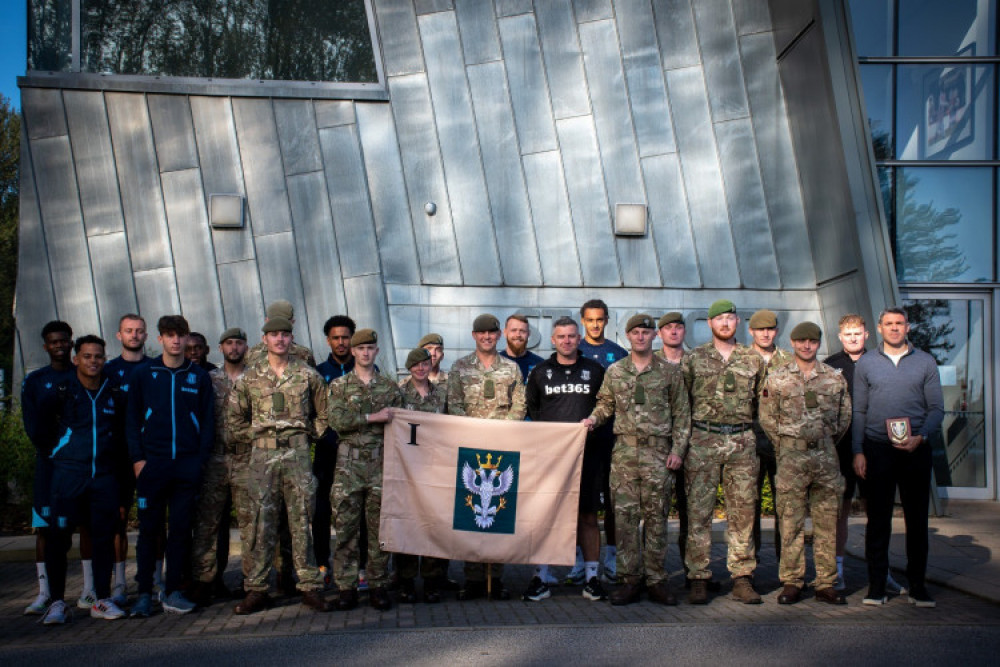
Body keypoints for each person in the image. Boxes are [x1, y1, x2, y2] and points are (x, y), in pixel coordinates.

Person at [583, 314, 690, 605]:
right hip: (626, 455)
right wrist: (592, 420)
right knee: (626, 521)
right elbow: (605, 404)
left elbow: (682, 414)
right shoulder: (616, 371)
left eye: (646, 332)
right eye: (636, 332)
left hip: (658, 455)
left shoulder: (669, 372)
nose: (641, 336)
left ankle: (656, 580)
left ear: (654, 336)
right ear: (628, 337)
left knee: (657, 520)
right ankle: (629, 581)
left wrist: (677, 451)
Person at [228, 316, 331, 614]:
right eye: (274, 335)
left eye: (285, 335)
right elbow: (234, 420)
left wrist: (308, 435)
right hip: (262, 457)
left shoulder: (307, 375)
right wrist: (256, 435)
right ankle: (257, 589)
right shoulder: (250, 378)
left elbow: (324, 414)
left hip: (297, 456)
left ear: (291, 339)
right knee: (262, 524)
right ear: (265, 340)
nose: (280, 340)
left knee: (301, 522)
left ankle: (310, 586)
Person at [853, 307, 944, 608]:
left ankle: (918, 587)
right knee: (878, 521)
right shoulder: (866, 363)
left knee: (917, 521)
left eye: (899, 323)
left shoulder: (925, 362)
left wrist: (922, 436)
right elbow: (859, 411)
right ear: (879, 328)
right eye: (889, 324)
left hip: (916, 450)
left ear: (908, 327)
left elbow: (936, 410)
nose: (894, 328)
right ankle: (877, 587)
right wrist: (858, 450)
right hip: (878, 450)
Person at [126, 315, 214, 617]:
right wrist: (139, 460)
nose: (176, 341)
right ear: (160, 338)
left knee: (179, 531)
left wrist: (199, 462)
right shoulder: (144, 373)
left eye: (181, 335)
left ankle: (173, 590)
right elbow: (132, 420)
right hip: (153, 466)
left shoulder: (198, 376)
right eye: (170, 335)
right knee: (149, 531)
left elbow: (207, 423)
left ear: (188, 339)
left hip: (186, 467)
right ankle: (144, 594)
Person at [758, 322, 851, 605]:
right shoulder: (777, 378)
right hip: (790, 458)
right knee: (790, 522)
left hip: (825, 457)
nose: (806, 346)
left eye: (812, 341)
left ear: (819, 343)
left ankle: (825, 583)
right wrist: (788, 443)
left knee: (826, 522)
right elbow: (767, 418)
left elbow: (843, 418)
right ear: (794, 343)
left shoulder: (834, 379)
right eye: (801, 341)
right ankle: (792, 581)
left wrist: (822, 441)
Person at [39, 335, 127, 624]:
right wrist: (61, 457)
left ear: (104, 358)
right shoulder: (61, 391)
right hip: (67, 478)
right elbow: (41, 432)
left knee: (102, 539)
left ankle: (100, 599)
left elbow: (122, 436)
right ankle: (57, 603)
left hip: (103, 479)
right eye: (87, 356)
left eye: (98, 356)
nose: (93, 361)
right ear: (76, 359)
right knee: (58, 539)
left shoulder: (113, 391)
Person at [682, 299, 764, 604]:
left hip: (742, 441)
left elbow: (761, 403)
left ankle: (742, 577)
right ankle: (699, 577)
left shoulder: (752, 359)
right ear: (710, 324)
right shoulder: (694, 359)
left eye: (730, 318)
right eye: (720, 319)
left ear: (738, 323)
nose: (725, 323)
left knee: (742, 512)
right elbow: (683, 403)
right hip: (704, 439)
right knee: (699, 513)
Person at [523, 317, 607, 602]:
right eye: (561, 337)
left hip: (588, 456)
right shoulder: (540, 372)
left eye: (572, 336)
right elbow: (533, 408)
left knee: (587, 516)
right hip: (550, 459)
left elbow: (606, 406)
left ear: (579, 338)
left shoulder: (595, 371)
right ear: (553, 340)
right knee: (545, 516)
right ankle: (540, 576)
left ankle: (592, 577)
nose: (567, 341)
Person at [447, 313, 527, 600]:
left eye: (492, 333)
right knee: (471, 515)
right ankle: (473, 579)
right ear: (474, 336)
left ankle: (497, 577)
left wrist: (503, 433)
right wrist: (474, 433)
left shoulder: (511, 369)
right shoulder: (459, 368)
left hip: (501, 453)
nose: (487, 337)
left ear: (499, 335)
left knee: (499, 514)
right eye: (482, 333)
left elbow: (520, 405)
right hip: (471, 451)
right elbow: (453, 405)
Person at [328, 328, 402, 611]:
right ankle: (346, 586)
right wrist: (373, 417)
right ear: (353, 352)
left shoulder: (389, 388)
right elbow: (337, 420)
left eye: (371, 348)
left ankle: (377, 585)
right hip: (349, 466)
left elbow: (399, 424)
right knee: (346, 529)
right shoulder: (339, 386)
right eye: (361, 349)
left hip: (380, 464)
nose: (366, 353)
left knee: (379, 531)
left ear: (377, 352)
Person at [189, 328, 252, 607]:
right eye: (229, 343)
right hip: (214, 459)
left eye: (239, 343)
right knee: (209, 524)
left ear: (246, 347)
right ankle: (205, 581)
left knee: (251, 524)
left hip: (246, 459)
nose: (234, 347)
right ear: (221, 347)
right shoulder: (208, 379)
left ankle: (252, 581)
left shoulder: (257, 379)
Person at [21, 321, 80, 616]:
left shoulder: (81, 375)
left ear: (71, 343)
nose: (59, 345)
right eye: (53, 342)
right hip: (48, 468)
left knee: (85, 528)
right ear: (46, 346)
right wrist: (54, 450)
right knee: (43, 529)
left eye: (64, 341)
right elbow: (32, 426)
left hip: (78, 469)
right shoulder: (35, 381)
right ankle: (45, 592)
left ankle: (90, 590)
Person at [575, 299, 627, 584]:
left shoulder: (618, 354)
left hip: (611, 439)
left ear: (607, 321)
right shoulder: (573, 350)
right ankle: (579, 558)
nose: (595, 325)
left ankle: (611, 556)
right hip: (580, 442)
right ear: (582, 320)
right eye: (590, 320)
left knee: (613, 502)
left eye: (600, 320)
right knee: (579, 504)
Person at [394, 347, 449, 603]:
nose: (420, 368)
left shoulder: (441, 394)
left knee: (431, 524)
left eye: (425, 363)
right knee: (406, 524)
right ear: (409, 367)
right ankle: (404, 580)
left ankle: (431, 581)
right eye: (415, 365)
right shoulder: (398, 393)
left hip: (434, 468)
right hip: (406, 468)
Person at [105, 314, 151, 606]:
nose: (134, 335)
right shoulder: (108, 371)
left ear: (147, 336)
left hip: (149, 457)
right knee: (117, 520)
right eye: (128, 331)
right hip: (118, 459)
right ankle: (119, 583)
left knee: (152, 522)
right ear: (119, 335)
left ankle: (154, 580)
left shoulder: (154, 369)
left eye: (139, 331)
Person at [823, 313, 869, 591]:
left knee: (875, 507)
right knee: (838, 510)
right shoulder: (830, 366)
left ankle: (879, 567)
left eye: (857, 333)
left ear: (866, 335)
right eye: (848, 334)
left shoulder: (878, 362)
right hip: (840, 451)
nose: (853, 338)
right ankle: (837, 567)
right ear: (840, 337)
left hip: (872, 448)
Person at [314, 315, 359, 586]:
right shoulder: (318, 373)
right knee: (322, 512)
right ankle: (322, 564)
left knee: (357, 511)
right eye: (336, 338)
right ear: (328, 340)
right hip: (326, 452)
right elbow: (313, 413)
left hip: (357, 455)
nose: (341, 342)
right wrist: (326, 438)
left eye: (345, 337)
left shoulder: (367, 370)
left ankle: (358, 567)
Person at [747, 309, 791, 567]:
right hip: (749, 441)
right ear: (751, 331)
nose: (765, 333)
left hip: (780, 442)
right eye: (760, 329)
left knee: (785, 505)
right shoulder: (741, 359)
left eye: (770, 329)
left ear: (776, 331)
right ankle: (748, 566)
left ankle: (788, 566)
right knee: (747, 506)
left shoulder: (788, 360)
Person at [245, 300, 317, 368]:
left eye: (284, 323)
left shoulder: (304, 355)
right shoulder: (252, 355)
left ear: (292, 322)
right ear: (266, 321)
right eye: (275, 322)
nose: (280, 326)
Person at [499, 314, 543, 383]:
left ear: (528, 334)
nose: (518, 335)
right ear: (505, 333)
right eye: (513, 330)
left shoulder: (540, 365)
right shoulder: (493, 363)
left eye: (522, 331)